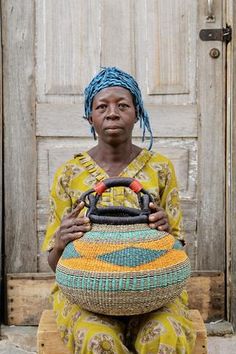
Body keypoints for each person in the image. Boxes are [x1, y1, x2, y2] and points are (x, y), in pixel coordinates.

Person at [42, 67, 196, 354]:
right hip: (84, 292)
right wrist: (61, 242)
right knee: (98, 340)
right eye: (102, 106)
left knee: (163, 335)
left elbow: (180, 255)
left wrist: (166, 233)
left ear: (137, 113)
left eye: (123, 105)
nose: (112, 113)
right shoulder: (69, 174)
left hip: (154, 291)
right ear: (90, 116)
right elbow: (55, 265)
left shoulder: (160, 169)